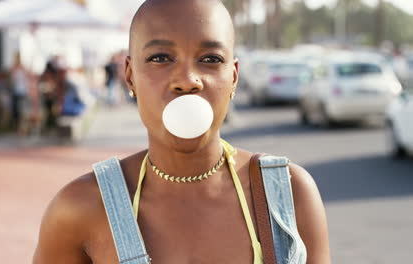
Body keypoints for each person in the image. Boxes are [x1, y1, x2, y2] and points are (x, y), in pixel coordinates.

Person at [33, 0, 331, 263]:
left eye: (211, 59)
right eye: (161, 58)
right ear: (130, 76)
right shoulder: (79, 208)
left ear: (234, 77)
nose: (188, 80)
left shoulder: (289, 193)